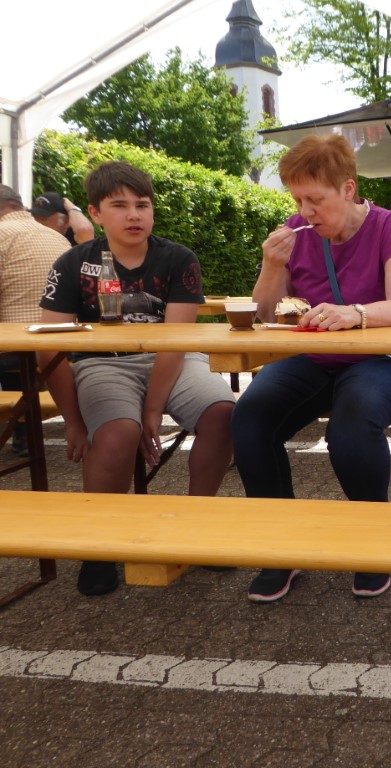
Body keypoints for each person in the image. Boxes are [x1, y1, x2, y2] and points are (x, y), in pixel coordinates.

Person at [232, 134, 391, 602]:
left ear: (348, 189)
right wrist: (271, 266)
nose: (305, 212)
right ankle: (282, 549)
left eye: (315, 199)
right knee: (250, 417)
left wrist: (356, 313)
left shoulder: (389, 226)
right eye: (297, 200)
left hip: (383, 359)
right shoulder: (295, 232)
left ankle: (371, 545)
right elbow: (263, 314)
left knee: (351, 427)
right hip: (314, 358)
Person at [37, 161, 236, 596]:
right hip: (101, 363)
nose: (133, 215)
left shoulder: (179, 258)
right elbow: (49, 347)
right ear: (95, 212)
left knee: (223, 413)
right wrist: (73, 422)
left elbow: (175, 341)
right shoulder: (72, 263)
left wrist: (152, 411)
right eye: (119, 205)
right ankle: (100, 546)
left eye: (142, 205)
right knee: (116, 433)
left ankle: (198, 525)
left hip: (175, 358)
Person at [0, 184, 73, 456]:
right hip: (65, 347)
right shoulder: (58, 238)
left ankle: (22, 431)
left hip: (16, 351)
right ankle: (24, 433)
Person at [29, 190, 95, 246]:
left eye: (44, 219)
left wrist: (73, 209)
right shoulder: (31, 237)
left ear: (66, 221)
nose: (38, 223)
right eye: (36, 218)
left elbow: (85, 232)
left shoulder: (75, 238)